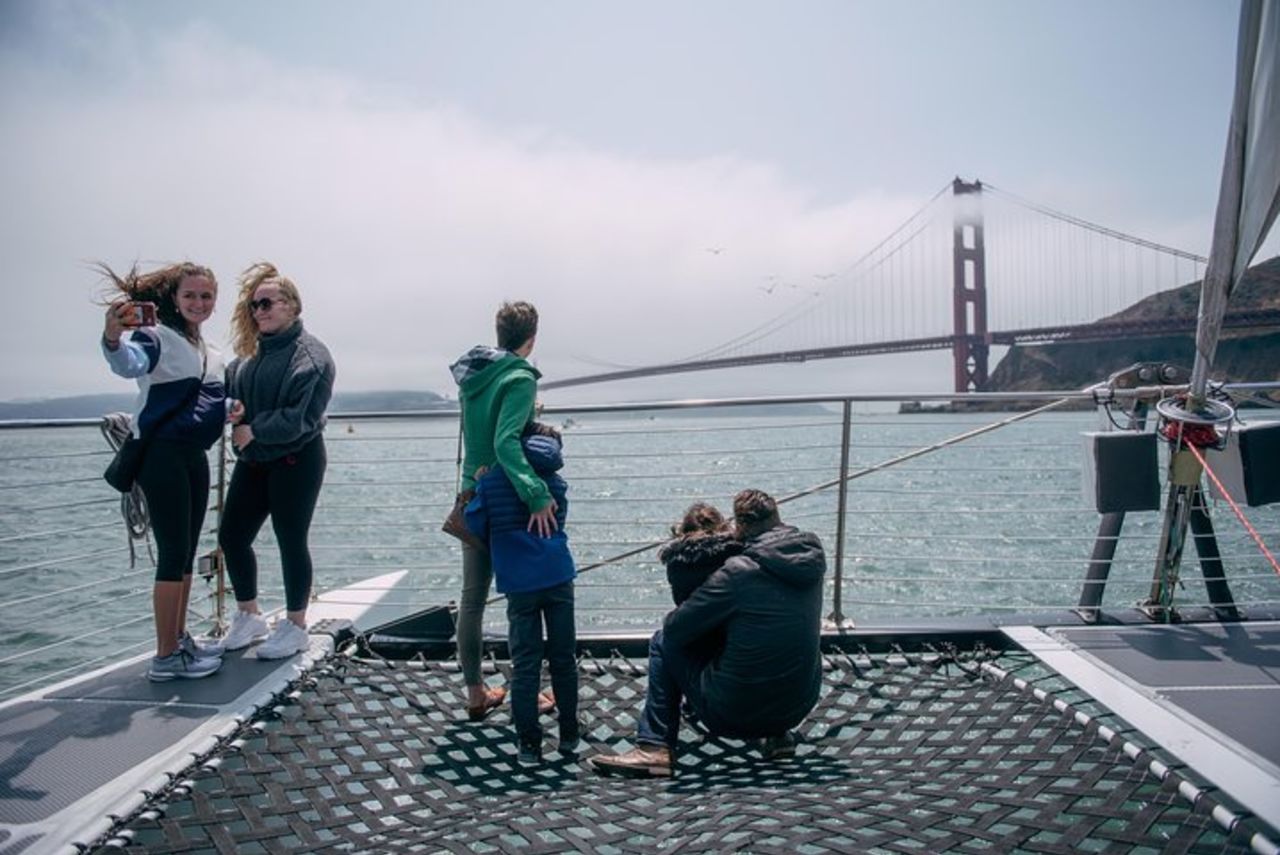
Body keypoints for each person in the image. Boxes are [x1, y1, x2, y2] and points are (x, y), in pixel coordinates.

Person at [590, 489, 827, 778]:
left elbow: (676, 629)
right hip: (798, 706)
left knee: (663, 641)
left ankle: (654, 746)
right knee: (773, 629)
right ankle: (777, 737)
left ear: (740, 526)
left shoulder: (739, 572)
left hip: (735, 714)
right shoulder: (811, 556)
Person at [99, 262, 227, 681]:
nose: (198, 303)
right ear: (174, 298)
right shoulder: (155, 336)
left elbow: (202, 400)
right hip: (162, 455)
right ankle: (165, 656)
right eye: (190, 295)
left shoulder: (209, 350)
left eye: (206, 296)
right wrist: (113, 338)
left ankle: (179, 639)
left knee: (186, 551)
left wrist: (230, 408)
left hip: (194, 455)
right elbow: (130, 364)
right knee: (172, 553)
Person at [217, 263, 336, 659]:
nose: (259, 311)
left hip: (296, 461)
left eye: (267, 303)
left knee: (291, 540)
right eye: (254, 305)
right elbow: (229, 391)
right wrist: (231, 408)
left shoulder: (312, 357)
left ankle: (296, 626)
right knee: (232, 537)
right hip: (254, 460)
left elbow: (302, 418)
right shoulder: (247, 356)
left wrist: (255, 429)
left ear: (292, 306)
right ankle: (249, 615)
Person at [449, 301, 558, 720]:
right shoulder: (520, 377)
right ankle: (527, 693)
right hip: (505, 498)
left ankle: (476, 693)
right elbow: (505, 442)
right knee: (522, 597)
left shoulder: (474, 375)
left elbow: (484, 433)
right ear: (533, 337)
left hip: (470, 493)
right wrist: (536, 494)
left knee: (472, 600)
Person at [464, 425, 578, 764]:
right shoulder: (555, 483)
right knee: (563, 658)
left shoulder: (493, 481)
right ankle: (569, 735)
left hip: (518, 582)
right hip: (558, 576)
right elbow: (558, 522)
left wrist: (481, 486)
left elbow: (475, 524)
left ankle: (529, 744)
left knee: (526, 664)